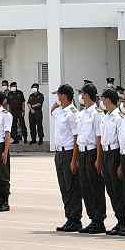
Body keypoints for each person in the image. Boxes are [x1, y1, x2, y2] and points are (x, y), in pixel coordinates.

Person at [97, 88, 125, 236]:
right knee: (111, 190)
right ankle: (119, 220)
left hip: (115, 153)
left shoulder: (119, 117)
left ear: (108, 99)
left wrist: (119, 164)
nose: (101, 101)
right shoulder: (105, 116)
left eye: (103, 98)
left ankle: (124, 222)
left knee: (118, 190)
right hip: (106, 152)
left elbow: (121, 139)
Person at [73, 83, 106, 234]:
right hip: (82, 152)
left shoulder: (97, 113)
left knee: (95, 187)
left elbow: (99, 137)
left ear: (87, 95)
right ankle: (92, 218)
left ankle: (99, 220)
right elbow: (79, 136)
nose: (80, 96)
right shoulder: (82, 113)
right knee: (85, 187)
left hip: (93, 152)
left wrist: (99, 159)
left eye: (82, 93)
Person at [50, 84, 81, 232]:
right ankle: (69, 217)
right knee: (64, 188)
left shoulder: (72, 113)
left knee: (72, 187)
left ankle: (75, 219)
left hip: (69, 152)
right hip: (59, 153)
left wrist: (74, 160)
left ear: (64, 96)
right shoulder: (60, 111)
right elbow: (52, 110)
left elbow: (76, 137)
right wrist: (57, 104)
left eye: (59, 95)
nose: (57, 98)